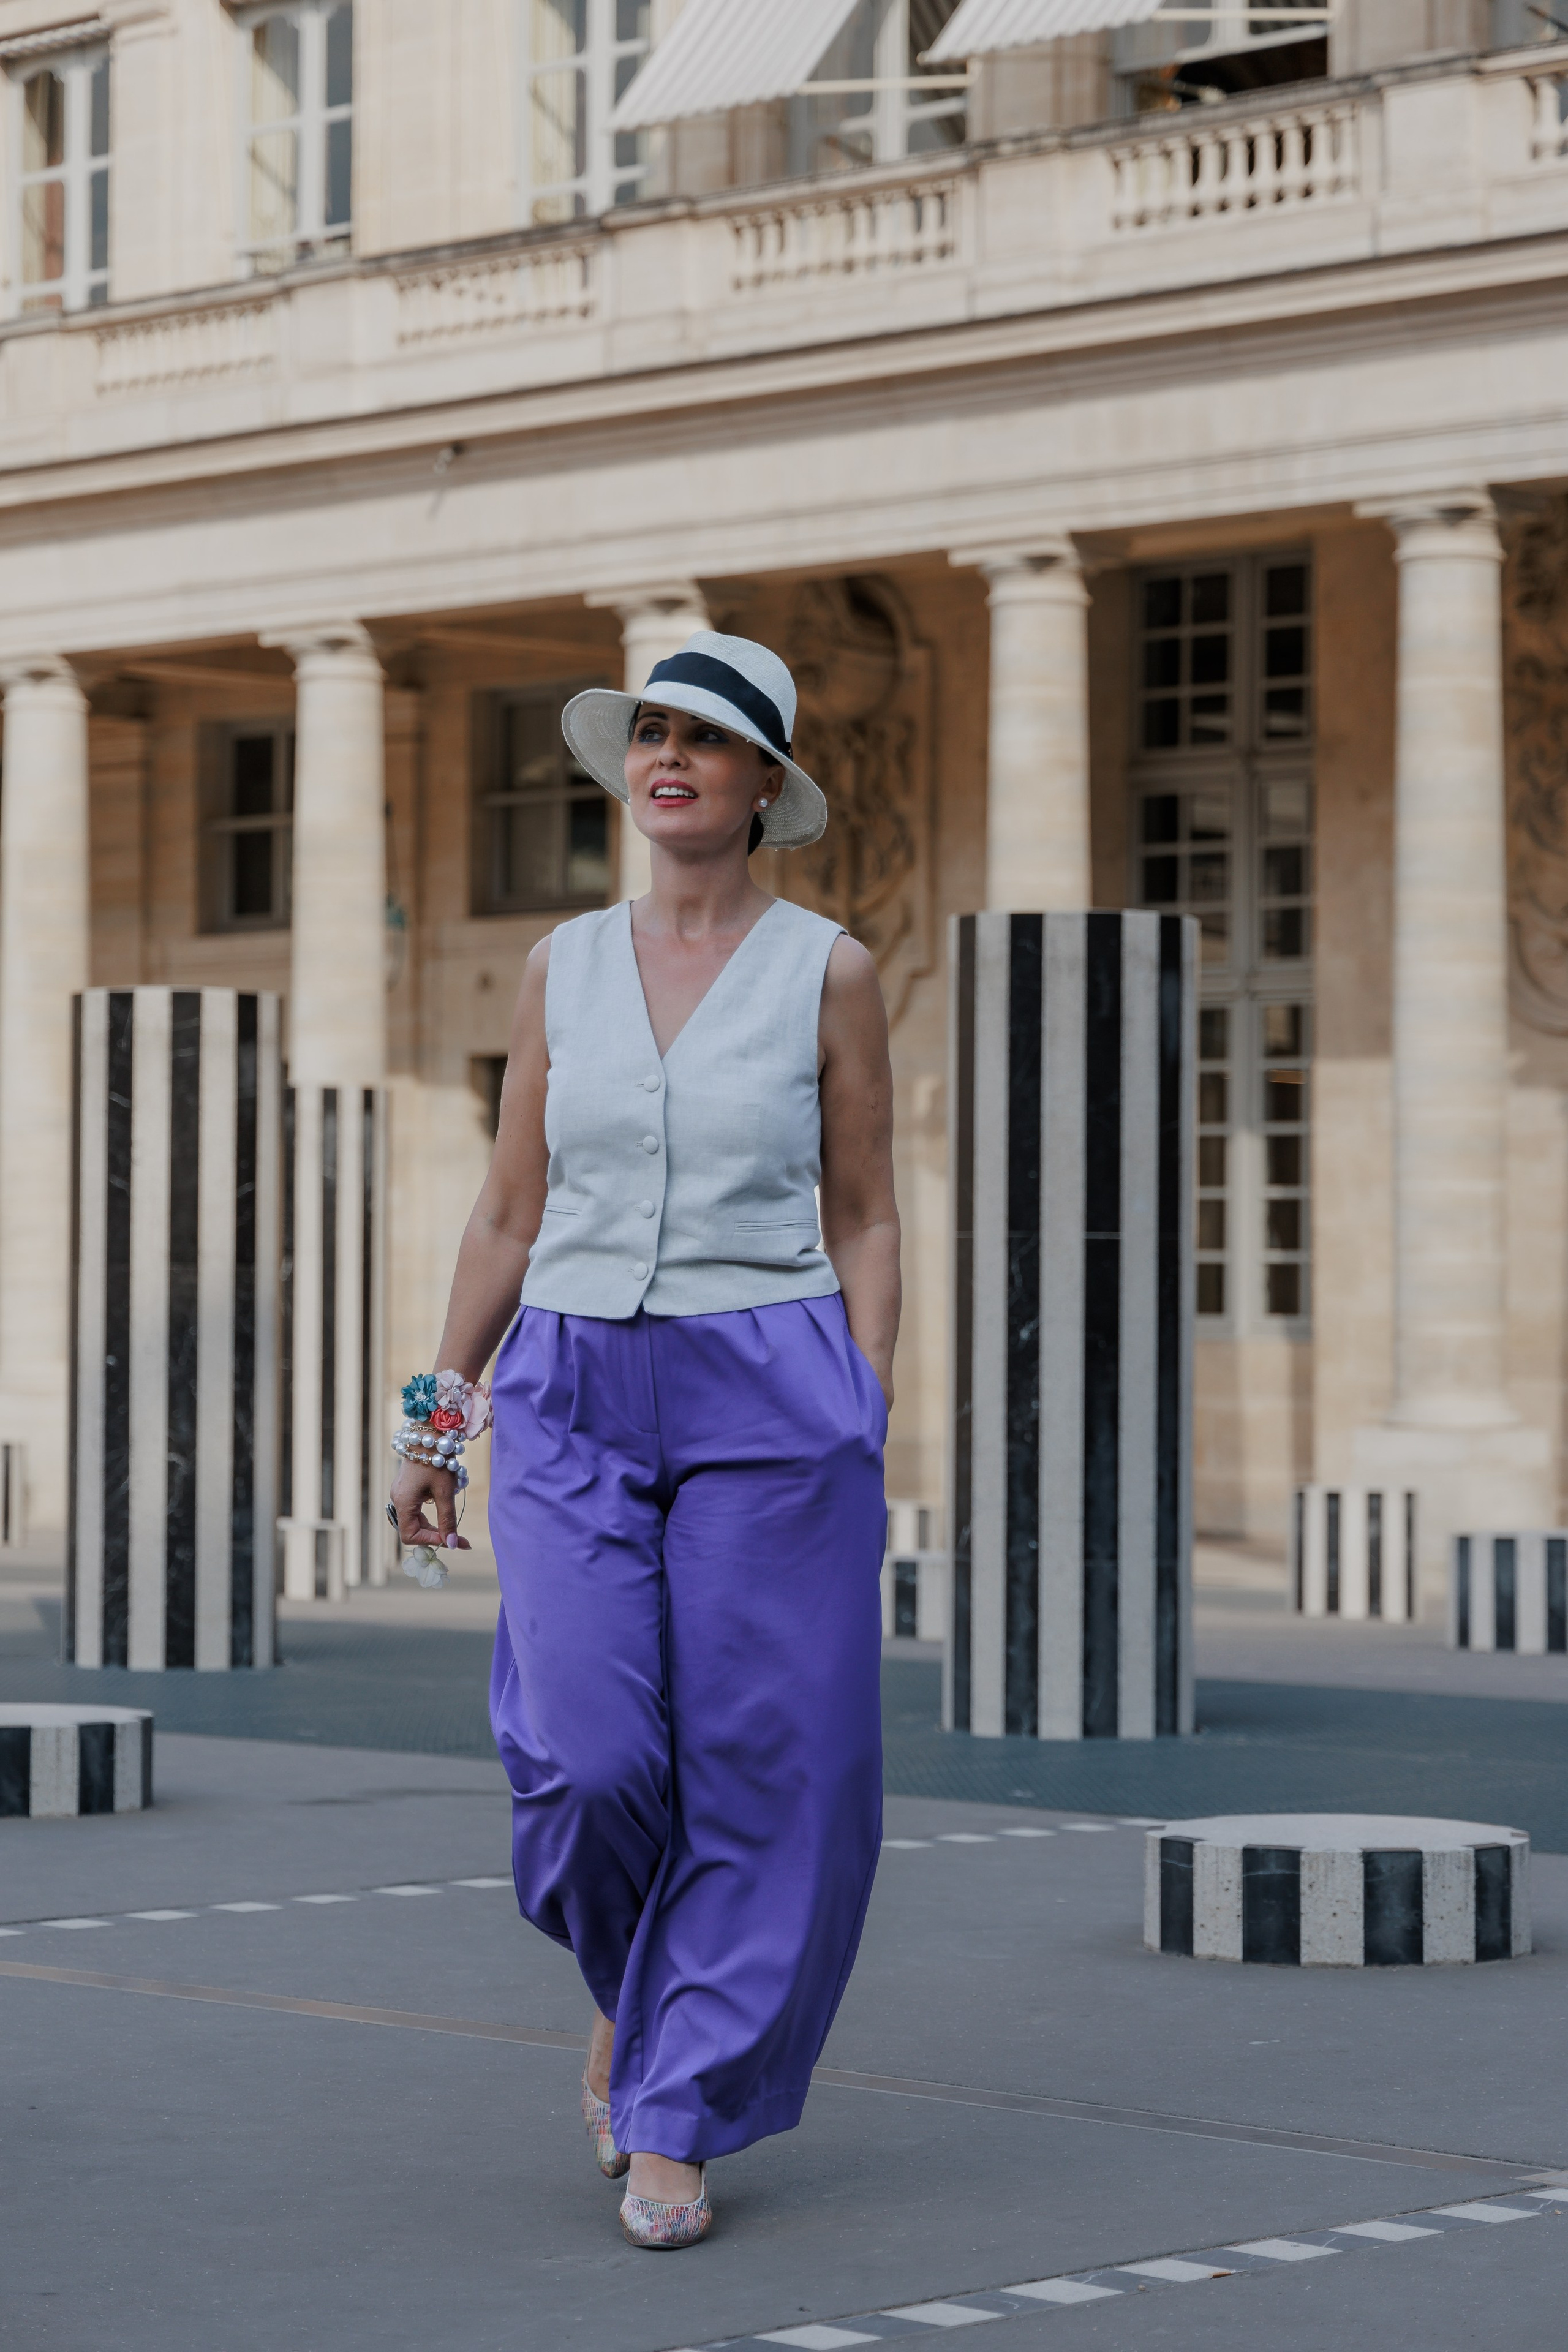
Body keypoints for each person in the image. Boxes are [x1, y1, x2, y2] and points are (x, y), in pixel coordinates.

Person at [390, 630, 900, 2250]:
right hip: (568, 1386)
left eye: (708, 740)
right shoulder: (562, 966)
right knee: (590, 1759)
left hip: (771, 1388)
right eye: (652, 734)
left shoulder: (831, 968)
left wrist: (864, 1400)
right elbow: (506, 1211)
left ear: (765, 786)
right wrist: (435, 1419)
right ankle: (639, 1988)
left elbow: (873, 1213)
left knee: (766, 1771)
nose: (669, 757)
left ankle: (674, 2102)